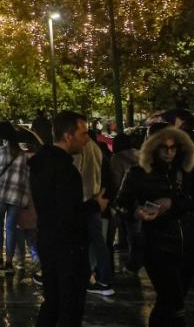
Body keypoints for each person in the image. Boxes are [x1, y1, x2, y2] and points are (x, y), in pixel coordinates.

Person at [116, 127, 194, 327]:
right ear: (152, 148)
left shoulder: (189, 170)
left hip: (189, 246)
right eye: (163, 148)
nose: (169, 153)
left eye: (173, 148)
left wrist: (174, 203)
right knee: (175, 305)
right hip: (157, 246)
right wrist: (136, 211)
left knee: (168, 303)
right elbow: (121, 203)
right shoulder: (137, 173)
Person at [29, 111, 109, 327]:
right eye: (83, 134)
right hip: (67, 247)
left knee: (53, 302)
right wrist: (95, 205)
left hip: (48, 239)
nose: (86, 140)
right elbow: (69, 214)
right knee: (69, 307)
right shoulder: (65, 170)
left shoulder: (40, 163)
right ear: (68, 135)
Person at [73, 125, 114, 295]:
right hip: (95, 200)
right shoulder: (97, 149)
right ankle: (102, 278)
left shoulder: (81, 150)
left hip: (86, 201)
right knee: (98, 241)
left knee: (91, 241)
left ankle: (101, 278)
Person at [0, 139, 30, 274]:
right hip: (16, 197)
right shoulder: (24, 156)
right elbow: (27, 177)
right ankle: (9, 263)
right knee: (11, 227)